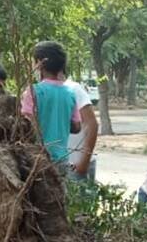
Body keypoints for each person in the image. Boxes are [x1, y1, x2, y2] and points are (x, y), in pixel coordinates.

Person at [19, 41, 82, 180]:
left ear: (39, 64)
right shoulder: (70, 93)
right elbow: (77, 127)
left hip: (36, 158)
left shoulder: (33, 92)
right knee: (57, 197)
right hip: (61, 158)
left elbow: (26, 123)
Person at [62, 73, 99, 180]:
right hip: (57, 165)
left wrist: (83, 163)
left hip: (76, 166)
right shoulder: (41, 90)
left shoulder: (73, 89)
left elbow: (92, 124)